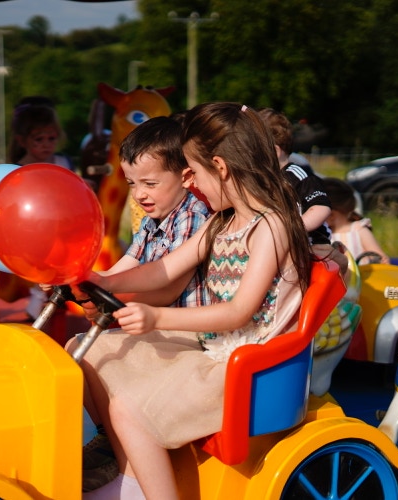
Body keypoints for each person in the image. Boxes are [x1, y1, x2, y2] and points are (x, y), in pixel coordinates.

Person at [69, 102, 312, 499]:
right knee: (95, 351)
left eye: (195, 173)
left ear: (220, 167)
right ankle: (128, 468)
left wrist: (156, 317)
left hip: (246, 366)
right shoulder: (222, 220)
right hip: (215, 349)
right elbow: (162, 269)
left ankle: (145, 489)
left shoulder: (270, 226)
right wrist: (99, 280)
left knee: (128, 409)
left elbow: (238, 311)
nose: (193, 185)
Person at [81, 115, 211, 491]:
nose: (139, 194)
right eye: (133, 183)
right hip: (158, 325)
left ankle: (126, 461)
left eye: (151, 183)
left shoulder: (192, 217)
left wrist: (114, 297)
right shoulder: (152, 222)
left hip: (185, 331)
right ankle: (109, 440)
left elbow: (169, 286)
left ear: (186, 177)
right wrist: (95, 288)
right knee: (79, 347)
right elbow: (127, 266)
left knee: (101, 355)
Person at [258, 107, 348, 276]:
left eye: (254, 152)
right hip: (283, 248)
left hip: (312, 247)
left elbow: (320, 207)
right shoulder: (262, 181)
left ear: (275, 151)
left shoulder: (297, 176)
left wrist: (294, 227)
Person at [7, 96, 73, 319]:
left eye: (51, 138)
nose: (46, 144)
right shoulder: (18, 169)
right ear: (22, 141)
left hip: (61, 225)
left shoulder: (62, 163)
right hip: (33, 231)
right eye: (39, 139)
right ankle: (36, 304)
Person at [323, 177, 390, 265]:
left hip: (362, 277)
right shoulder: (322, 235)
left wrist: (380, 260)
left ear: (331, 215)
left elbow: (379, 258)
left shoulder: (358, 230)